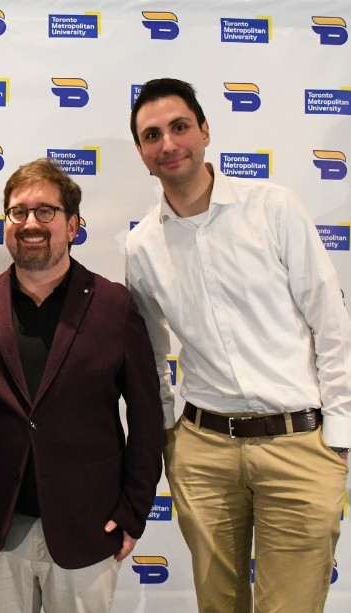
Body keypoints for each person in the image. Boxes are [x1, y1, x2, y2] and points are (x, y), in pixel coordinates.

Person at [125, 77, 351, 613]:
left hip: (299, 444)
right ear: (141, 152)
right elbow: (150, 356)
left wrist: (339, 433)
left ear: (205, 131)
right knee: (217, 606)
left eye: (180, 127)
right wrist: (169, 437)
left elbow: (331, 323)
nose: (168, 143)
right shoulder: (142, 246)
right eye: (152, 135)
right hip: (204, 454)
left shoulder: (274, 208)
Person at [0, 158, 164, 613]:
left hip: (89, 528)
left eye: (45, 212)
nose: (30, 223)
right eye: (18, 212)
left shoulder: (113, 306)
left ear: (73, 225)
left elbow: (146, 415)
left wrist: (134, 509)